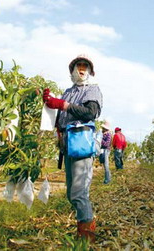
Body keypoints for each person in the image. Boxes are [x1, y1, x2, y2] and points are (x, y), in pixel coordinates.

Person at [42, 53, 102, 242]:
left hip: (81, 142)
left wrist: (63, 104)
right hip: (68, 144)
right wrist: (49, 103)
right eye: (78, 66)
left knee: (78, 192)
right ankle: (83, 229)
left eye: (85, 66)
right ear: (72, 70)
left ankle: (86, 237)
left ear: (90, 71)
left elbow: (90, 113)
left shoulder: (92, 90)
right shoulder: (68, 91)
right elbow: (61, 115)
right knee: (71, 193)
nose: (82, 69)